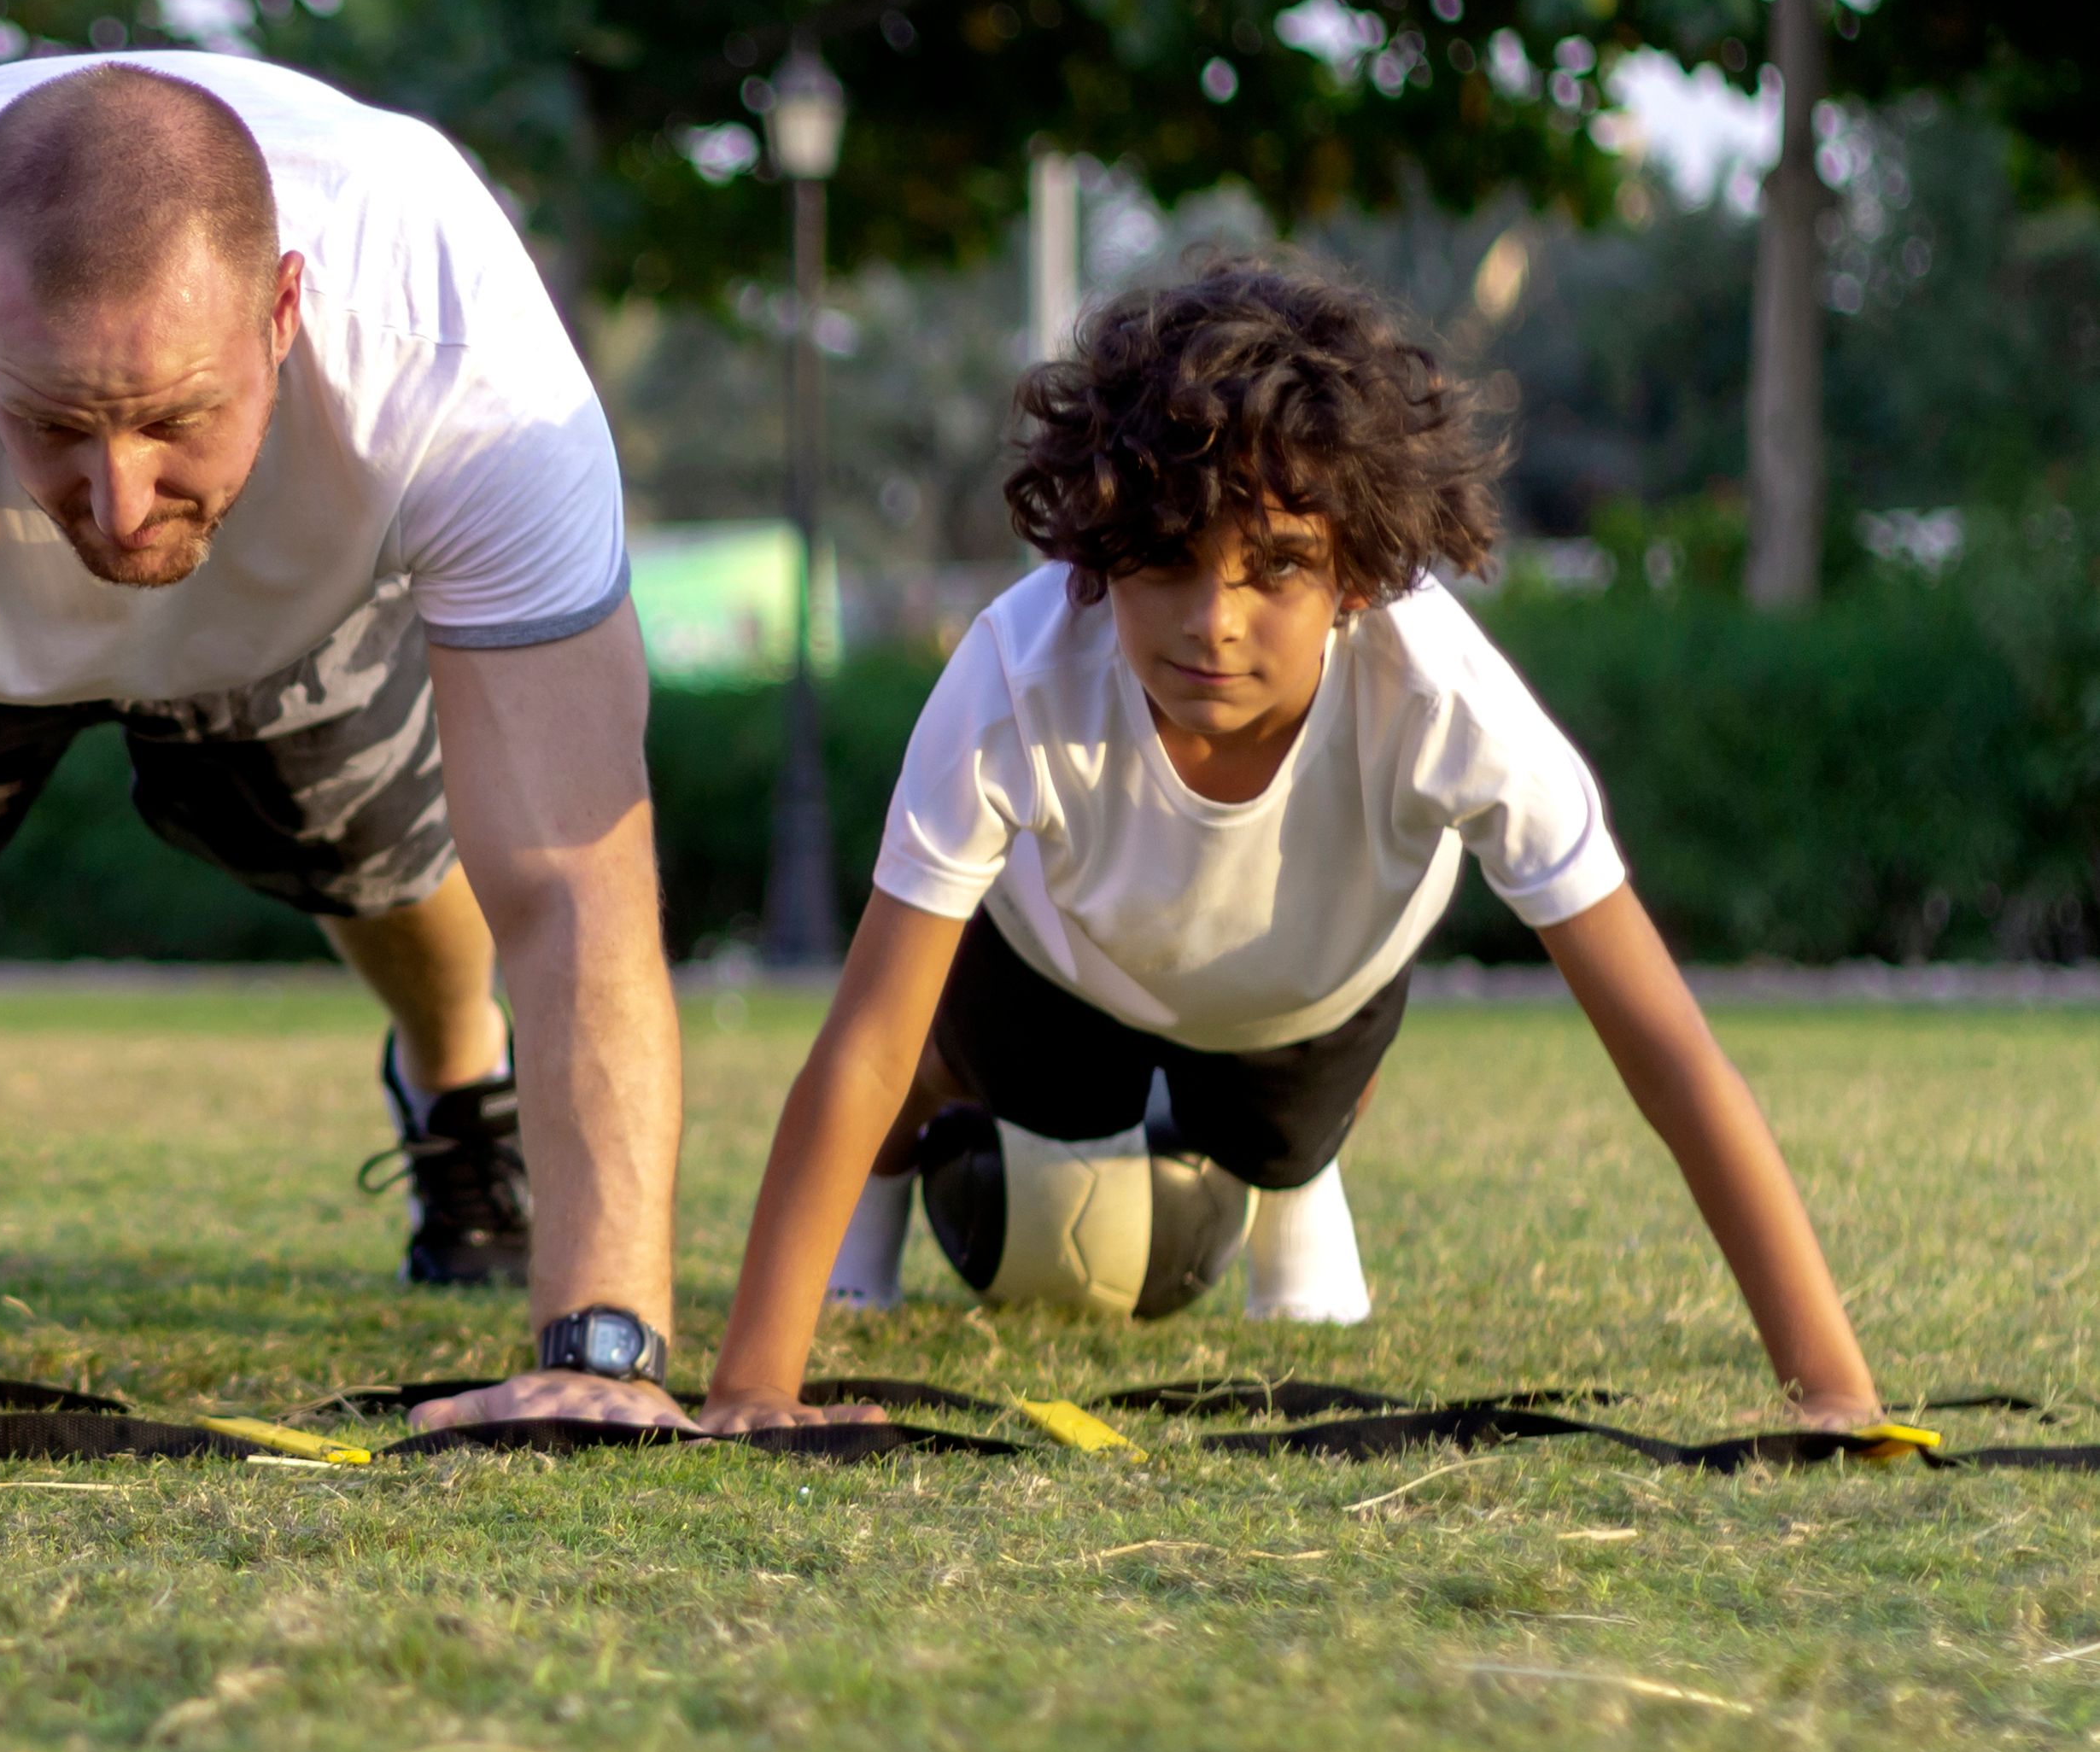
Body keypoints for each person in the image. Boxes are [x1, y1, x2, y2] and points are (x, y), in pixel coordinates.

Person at [0, 53, 687, 1441]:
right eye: (57, 423)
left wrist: (604, 1346)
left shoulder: (451, 344)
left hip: (287, 607)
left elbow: (577, 882)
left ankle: (459, 1092)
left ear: (282, 310)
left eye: (173, 417)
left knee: (382, 853)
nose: (121, 496)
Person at [692, 261, 1882, 1430]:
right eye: (1167, 561)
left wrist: (1831, 1388)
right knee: (967, 1073)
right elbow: (859, 1047)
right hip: (1057, 970)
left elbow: (1666, 1050)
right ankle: (890, 1193)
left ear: (1356, 575)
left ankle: (1301, 1180)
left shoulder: (1444, 699)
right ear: (1099, 553)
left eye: (1276, 569)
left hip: (1308, 999)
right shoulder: (1016, 670)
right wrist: (753, 1384)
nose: (1216, 621)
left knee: (1276, 1138)